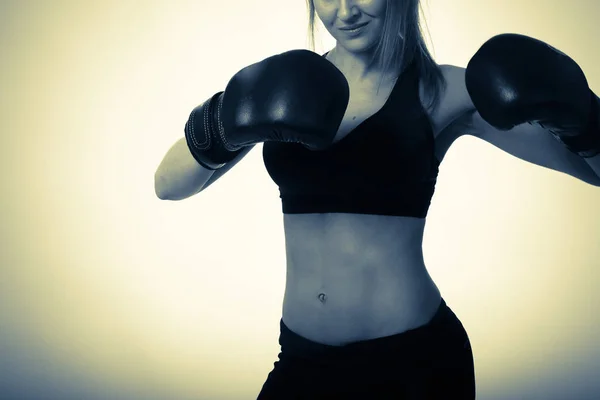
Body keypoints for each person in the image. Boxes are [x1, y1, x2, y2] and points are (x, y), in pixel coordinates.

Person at [154, 0, 600, 398]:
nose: (345, 11)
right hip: (301, 358)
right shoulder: (290, 85)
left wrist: (581, 115)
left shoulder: (444, 90)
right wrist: (226, 118)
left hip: (413, 364)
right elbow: (169, 185)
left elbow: (592, 170)